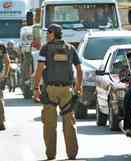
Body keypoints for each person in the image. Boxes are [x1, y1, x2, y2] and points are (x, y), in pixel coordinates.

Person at [34, 24, 83, 160]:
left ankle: (51, 154)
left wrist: (36, 88)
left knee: (49, 124)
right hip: (67, 90)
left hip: (50, 90)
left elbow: (39, 69)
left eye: (48, 32)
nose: (47, 35)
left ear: (53, 33)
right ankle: (72, 154)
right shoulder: (70, 48)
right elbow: (79, 70)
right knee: (69, 123)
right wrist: (78, 87)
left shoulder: (46, 49)